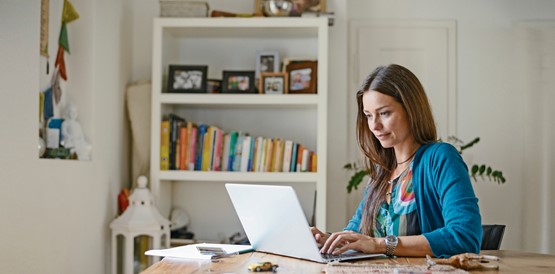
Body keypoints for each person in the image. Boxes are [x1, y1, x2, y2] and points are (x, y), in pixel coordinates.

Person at [311, 64, 482, 258]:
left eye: (384, 113)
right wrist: (328, 240)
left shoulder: (440, 158)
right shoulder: (382, 171)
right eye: (368, 116)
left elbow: (465, 236)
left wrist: (380, 245)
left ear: (411, 110)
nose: (374, 126)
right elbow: (356, 233)